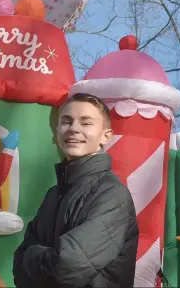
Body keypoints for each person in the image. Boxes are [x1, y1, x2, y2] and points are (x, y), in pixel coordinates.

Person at [13, 93, 139, 288]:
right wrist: (35, 257)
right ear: (56, 130)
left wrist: (32, 255)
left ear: (105, 136)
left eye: (86, 123)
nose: (73, 129)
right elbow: (18, 266)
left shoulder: (112, 194)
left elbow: (67, 267)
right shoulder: (53, 194)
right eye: (66, 121)